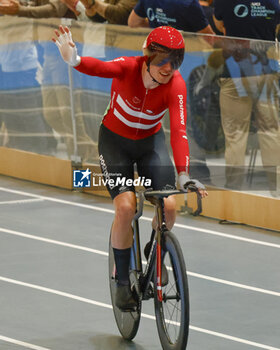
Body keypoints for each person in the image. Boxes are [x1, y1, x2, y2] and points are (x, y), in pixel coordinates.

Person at [53, 25, 208, 310]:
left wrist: (184, 174)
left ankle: (157, 249)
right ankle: (122, 279)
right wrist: (73, 60)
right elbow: (98, 67)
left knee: (170, 207)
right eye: (162, 59)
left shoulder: (176, 85)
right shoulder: (127, 67)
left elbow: (179, 131)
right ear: (147, 56)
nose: (168, 67)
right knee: (125, 207)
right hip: (115, 143)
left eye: (175, 61)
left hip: (150, 145)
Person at [211, 0, 280, 193]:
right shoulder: (273, 2)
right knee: (271, 130)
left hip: (235, 72)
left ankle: (233, 188)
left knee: (235, 134)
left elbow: (219, 25)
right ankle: (276, 188)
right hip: (266, 70)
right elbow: (275, 26)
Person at [128, 0, 214, 34]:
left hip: (155, 51)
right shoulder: (189, 3)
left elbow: (133, 23)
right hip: (183, 56)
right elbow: (209, 38)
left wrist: (160, 30)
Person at [60, 0, 137, 24]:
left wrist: (93, 3)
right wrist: (88, 5)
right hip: (111, 44)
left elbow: (120, 14)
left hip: (130, 46)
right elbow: (99, 18)